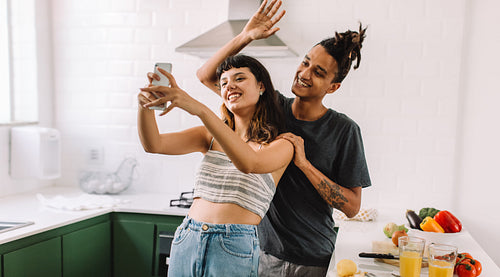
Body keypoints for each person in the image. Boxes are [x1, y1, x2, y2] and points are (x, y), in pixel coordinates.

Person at [196, 0, 372, 276]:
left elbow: (351, 206)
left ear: (333, 86)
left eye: (318, 72)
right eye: (305, 62)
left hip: (312, 259)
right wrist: (245, 36)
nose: (304, 74)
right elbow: (207, 76)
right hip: (261, 252)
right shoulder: (271, 108)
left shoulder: (344, 130)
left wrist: (304, 164)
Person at [137, 54, 294, 276]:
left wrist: (200, 109)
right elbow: (154, 144)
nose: (230, 85)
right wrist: (144, 106)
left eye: (239, 78)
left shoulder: (283, 144)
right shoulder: (209, 136)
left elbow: (249, 163)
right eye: (223, 83)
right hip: (188, 237)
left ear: (261, 87)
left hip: (233, 246)